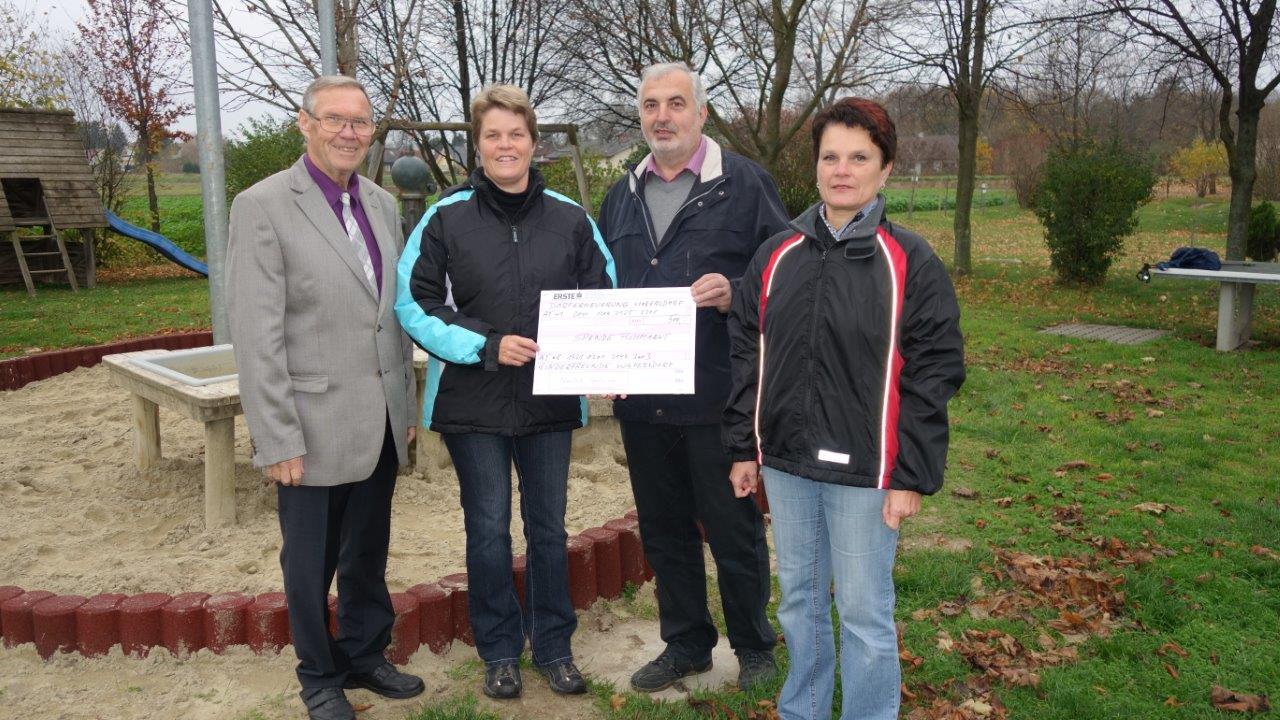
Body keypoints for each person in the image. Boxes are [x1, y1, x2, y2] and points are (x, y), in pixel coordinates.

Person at [723, 97, 966, 720]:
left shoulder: (910, 261)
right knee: (800, 602)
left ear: (884, 170)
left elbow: (936, 370)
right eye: (830, 156)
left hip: (868, 474)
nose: (842, 169)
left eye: (859, 157)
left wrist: (911, 474)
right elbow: (747, 352)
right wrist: (745, 449)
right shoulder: (777, 255)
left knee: (862, 613)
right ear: (816, 167)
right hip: (787, 464)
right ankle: (802, 710)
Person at [395, 84, 615, 700]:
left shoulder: (572, 218)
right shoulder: (447, 216)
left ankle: (553, 645)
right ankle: (499, 650)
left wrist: (606, 356)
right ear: (478, 144)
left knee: (549, 529)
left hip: (550, 401)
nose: (505, 145)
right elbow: (414, 303)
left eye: (516, 134)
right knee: (488, 528)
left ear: (533, 142)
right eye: (493, 135)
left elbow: (604, 295)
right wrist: (487, 346)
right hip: (474, 403)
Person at [227, 75, 423, 720]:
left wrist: (406, 406)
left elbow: (391, 315)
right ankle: (318, 675)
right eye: (334, 120)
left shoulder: (380, 202)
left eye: (360, 123)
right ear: (305, 124)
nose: (349, 133)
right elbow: (257, 336)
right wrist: (275, 436)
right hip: (309, 427)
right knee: (308, 563)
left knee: (367, 551)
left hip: (380, 421)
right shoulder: (262, 206)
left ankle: (365, 655)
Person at [596, 61, 788, 693]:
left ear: (701, 114)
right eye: (651, 105)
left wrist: (735, 292)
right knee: (664, 529)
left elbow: (786, 275)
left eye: (676, 103)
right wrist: (602, 358)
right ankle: (685, 644)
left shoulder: (745, 185)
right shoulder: (621, 195)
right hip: (644, 399)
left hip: (718, 393)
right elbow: (603, 291)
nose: (663, 116)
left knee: (732, 530)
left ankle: (755, 646)